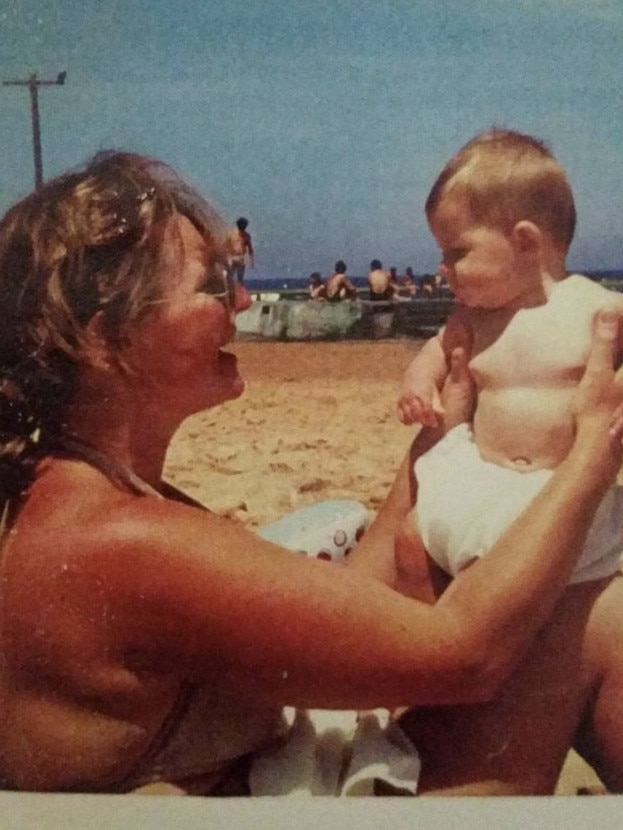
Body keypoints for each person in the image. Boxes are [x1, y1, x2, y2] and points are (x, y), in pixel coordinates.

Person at [0, 152, 622, 797]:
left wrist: (443, 430)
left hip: (265, 785)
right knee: (599, 621)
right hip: (282, 805)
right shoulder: (126, 542)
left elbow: (358, 584)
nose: (242, 299)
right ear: (104, 341)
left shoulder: (83, 491)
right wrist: (592, 455)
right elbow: (468, 658)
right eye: (212, 285)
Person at [394, 128, 623, 793]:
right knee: (415, 544)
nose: (444, 272)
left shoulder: (596, 309)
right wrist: (416, 385)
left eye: (456, 252)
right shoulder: (471, 320)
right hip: (482, 482)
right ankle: (422, 661)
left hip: (558, 491)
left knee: (559, 594)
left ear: (525, 240)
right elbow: (431, 359)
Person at [225, 216, 254, 284]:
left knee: (240, 278)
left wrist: (252, 261)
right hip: (231, 257)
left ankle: (239, 289)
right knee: (229, 277)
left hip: (241, 258)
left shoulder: (246, 236)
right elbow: (226, 245)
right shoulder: (231, 234)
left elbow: (250, 249)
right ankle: (230, 290)